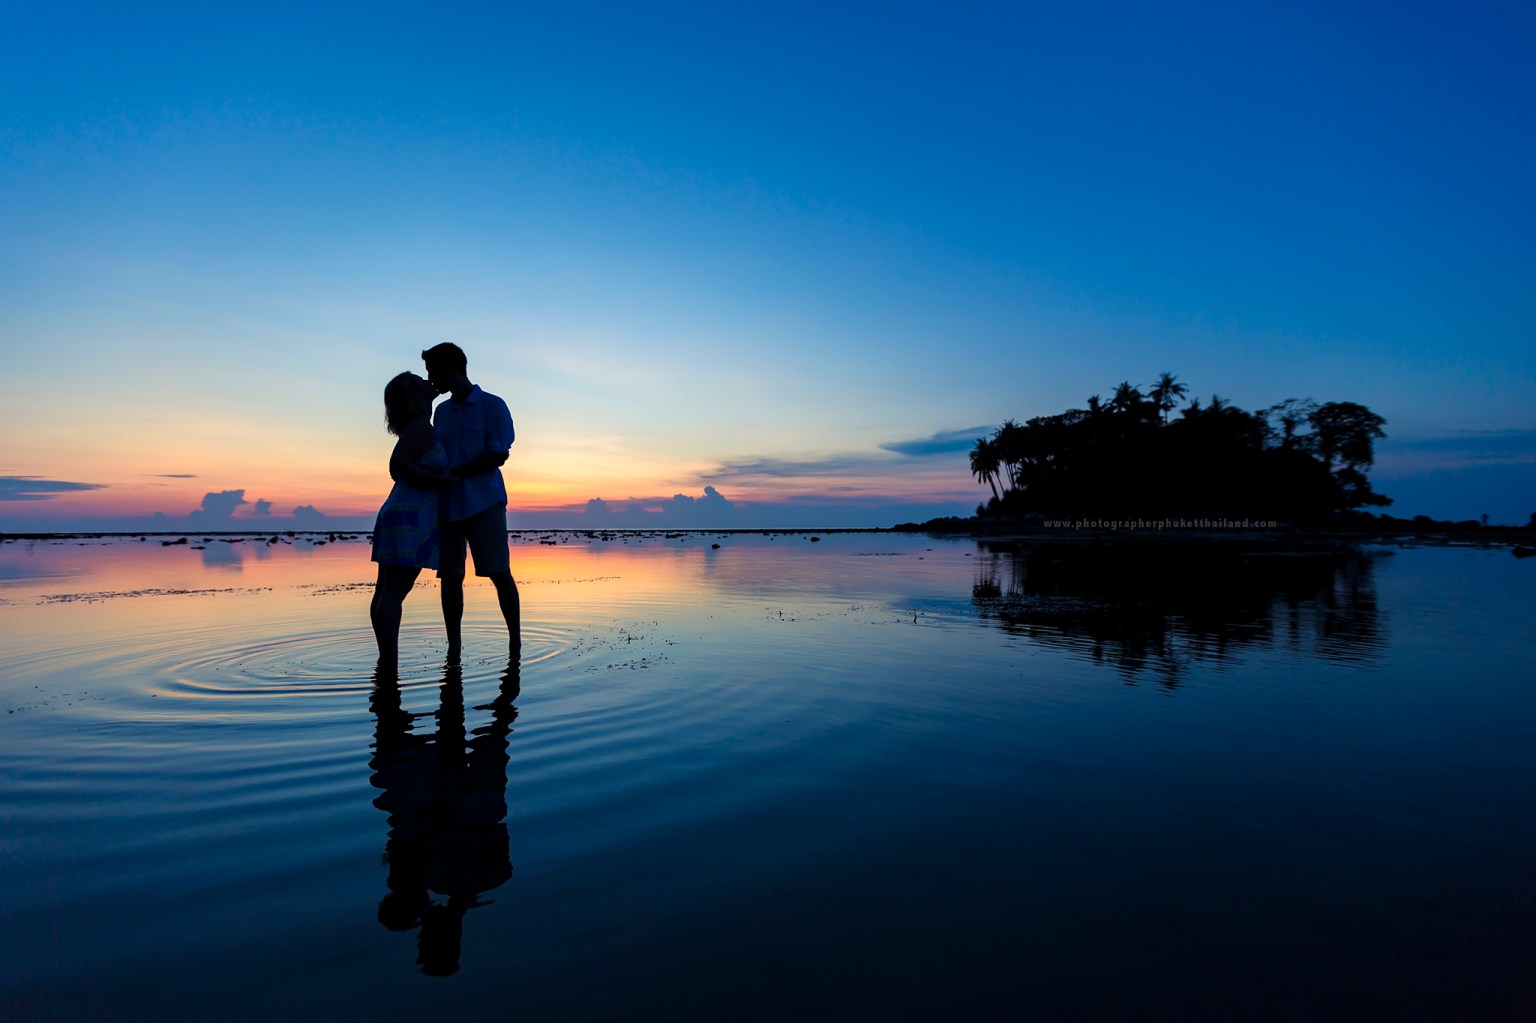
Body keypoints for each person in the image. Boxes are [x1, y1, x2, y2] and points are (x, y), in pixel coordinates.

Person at [420, 341, 520, 657]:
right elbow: (432, 452)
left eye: (433, 373)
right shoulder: (441, 412)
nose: (431, 381)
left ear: (452, 369)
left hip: (484, 502)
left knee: (499, 572)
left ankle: (515, 643)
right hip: (448, 506)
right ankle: (454, 648)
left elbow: (496, 454)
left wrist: (454, 474)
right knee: (450, 577)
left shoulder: (493, 405)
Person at [370, 372, 453, 661]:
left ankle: (385, 659)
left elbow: (405, 465)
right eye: (422, 383)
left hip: (401, 510)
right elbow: (397, 465)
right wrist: (439, 480)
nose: (430, 383)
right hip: (410, 515)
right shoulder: (420, 427)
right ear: (414, 397)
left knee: (385, 591)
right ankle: (389, 661)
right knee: (394, 592)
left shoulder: (417, 427)